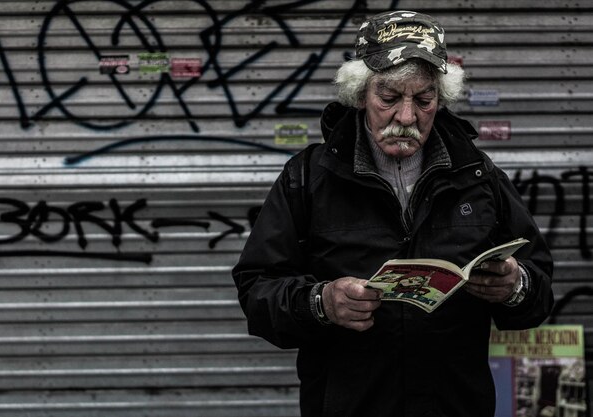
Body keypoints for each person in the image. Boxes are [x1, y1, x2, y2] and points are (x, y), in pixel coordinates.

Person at [232, 9, 553, 417]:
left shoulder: (478, 175)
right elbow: (257, 289)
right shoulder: (308, 177)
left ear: (441, 97)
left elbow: (540, 289)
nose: (406, 117)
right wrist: (321, 302)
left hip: (455, 405)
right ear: (361, 92)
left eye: (424, 100)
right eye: (389, 98)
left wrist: (515, 286)